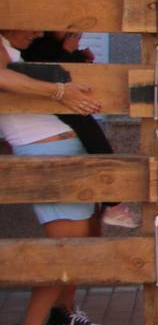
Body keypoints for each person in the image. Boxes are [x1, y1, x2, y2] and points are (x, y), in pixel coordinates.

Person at [1, 30, 107, 325]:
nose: (37, 30)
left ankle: (62, 312)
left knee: (89, 233)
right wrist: (59, 92)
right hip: (44, 151)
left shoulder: (22, 48)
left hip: (65, 145)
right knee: (65, 245)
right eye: (32, 22)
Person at [20, 32, 139, 229]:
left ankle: (113, 202)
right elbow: (49, 73)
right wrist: (68, 51)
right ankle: (113, 202)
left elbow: (66, 72)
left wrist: (80, 57)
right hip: (52, 124)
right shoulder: (41, 43)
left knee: (96, 139)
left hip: (61, 122)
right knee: (96, 139)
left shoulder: (48, 43)